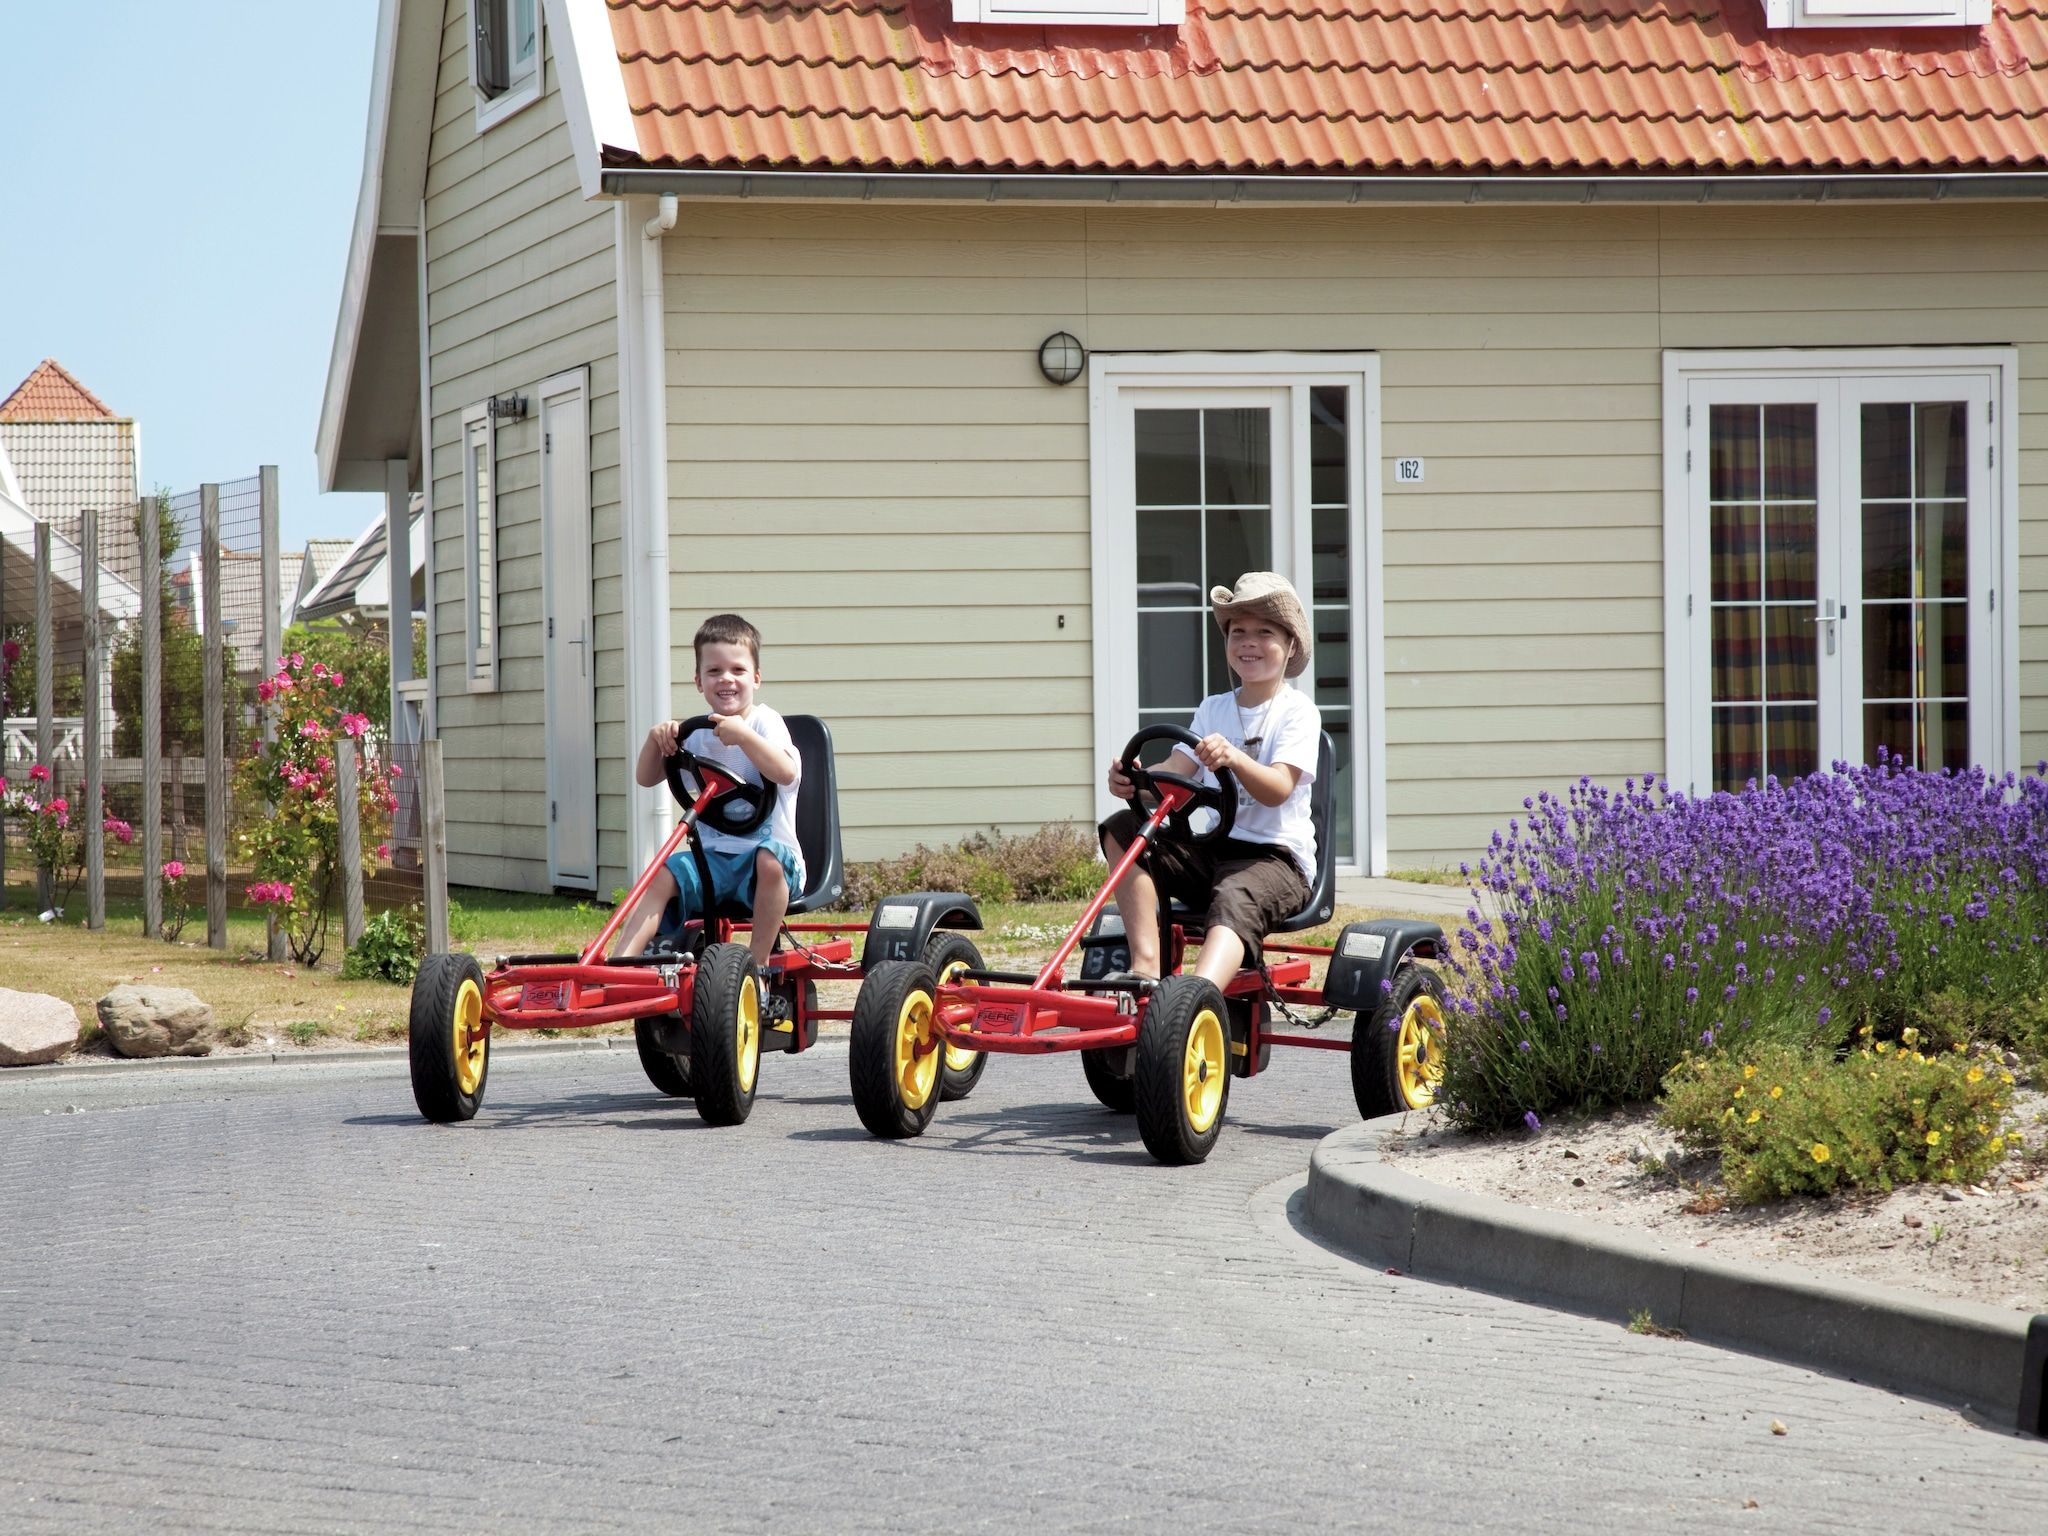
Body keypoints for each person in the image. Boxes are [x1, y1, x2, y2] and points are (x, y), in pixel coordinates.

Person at [1100, 571, 1321, 990]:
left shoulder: (1298, 712)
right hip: (1214, 852)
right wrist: (1135, 780)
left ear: (1290, 644)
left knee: (1235, 893)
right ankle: (1145, 969)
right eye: (1237, 632)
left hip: (1277, 862)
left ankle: (1195, 999)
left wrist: (1235, 758)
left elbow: (1277, 790)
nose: (1248, 642)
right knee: (1123, 829)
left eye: (1264, 632)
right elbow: (1174, 776)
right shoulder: (1213, 709)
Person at [618, 613, 804, 973]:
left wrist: (746, 737)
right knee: (660, 875)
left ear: (757, 678)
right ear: (699, 682)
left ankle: (757, 964)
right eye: (714, 671)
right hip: (712, 860)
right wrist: (656, 740)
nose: (727, 679)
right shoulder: (695, 733)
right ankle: (618, 966)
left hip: (770, 863)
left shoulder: (765, 722)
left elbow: (784, 772)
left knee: (769, 860)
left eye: (738, 670)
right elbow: (646, 777)